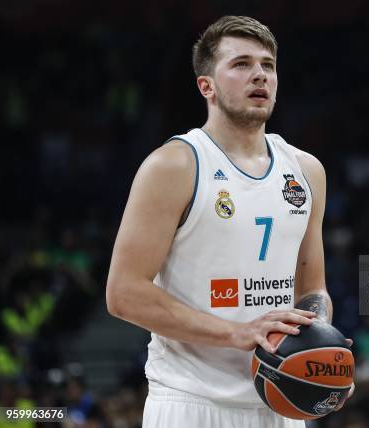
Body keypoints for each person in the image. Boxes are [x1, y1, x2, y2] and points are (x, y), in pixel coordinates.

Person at [106, 15, 353, 428]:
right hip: (192, 403)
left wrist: (318, 348)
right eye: (240, 64)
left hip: (280, 403)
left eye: (267, 65)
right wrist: (233, 332)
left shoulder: (307, 170)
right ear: (207, 86)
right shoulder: (174, 165)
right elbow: (123, 294)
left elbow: (311, 288)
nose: (259, 74)